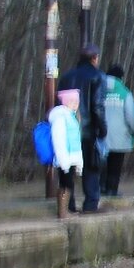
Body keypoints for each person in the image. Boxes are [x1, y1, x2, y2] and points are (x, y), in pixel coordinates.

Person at [60, 43, 107, 214]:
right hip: (87, 129)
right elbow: (97, 106)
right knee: (91, 167)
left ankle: (68, 204)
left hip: (66, 128)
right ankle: (90, 203)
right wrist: (102, 129)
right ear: (95, 58)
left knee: (67, 167)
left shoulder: (66, 77)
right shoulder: (98, 77)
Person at [100, 63, 134, 197]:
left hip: (100, 134)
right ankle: (112, 190)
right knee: (115, 164)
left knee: (101, 162)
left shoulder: (98, 90)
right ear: (120, 77)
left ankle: (100, 188)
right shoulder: (125, 93)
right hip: (120, 134)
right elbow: (131, 116)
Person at [48, 87, 86, 215]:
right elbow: (59, 140)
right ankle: (64, 211)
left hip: (72, 157)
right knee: (66, 183)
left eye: (76, 101)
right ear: (65, 102)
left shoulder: (72, 117)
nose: (75, 104)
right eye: (72, 101)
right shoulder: (60, 117)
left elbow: (76, 141)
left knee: (69, 183)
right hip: (64, 157)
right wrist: (63, 160)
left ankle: (68, 209)